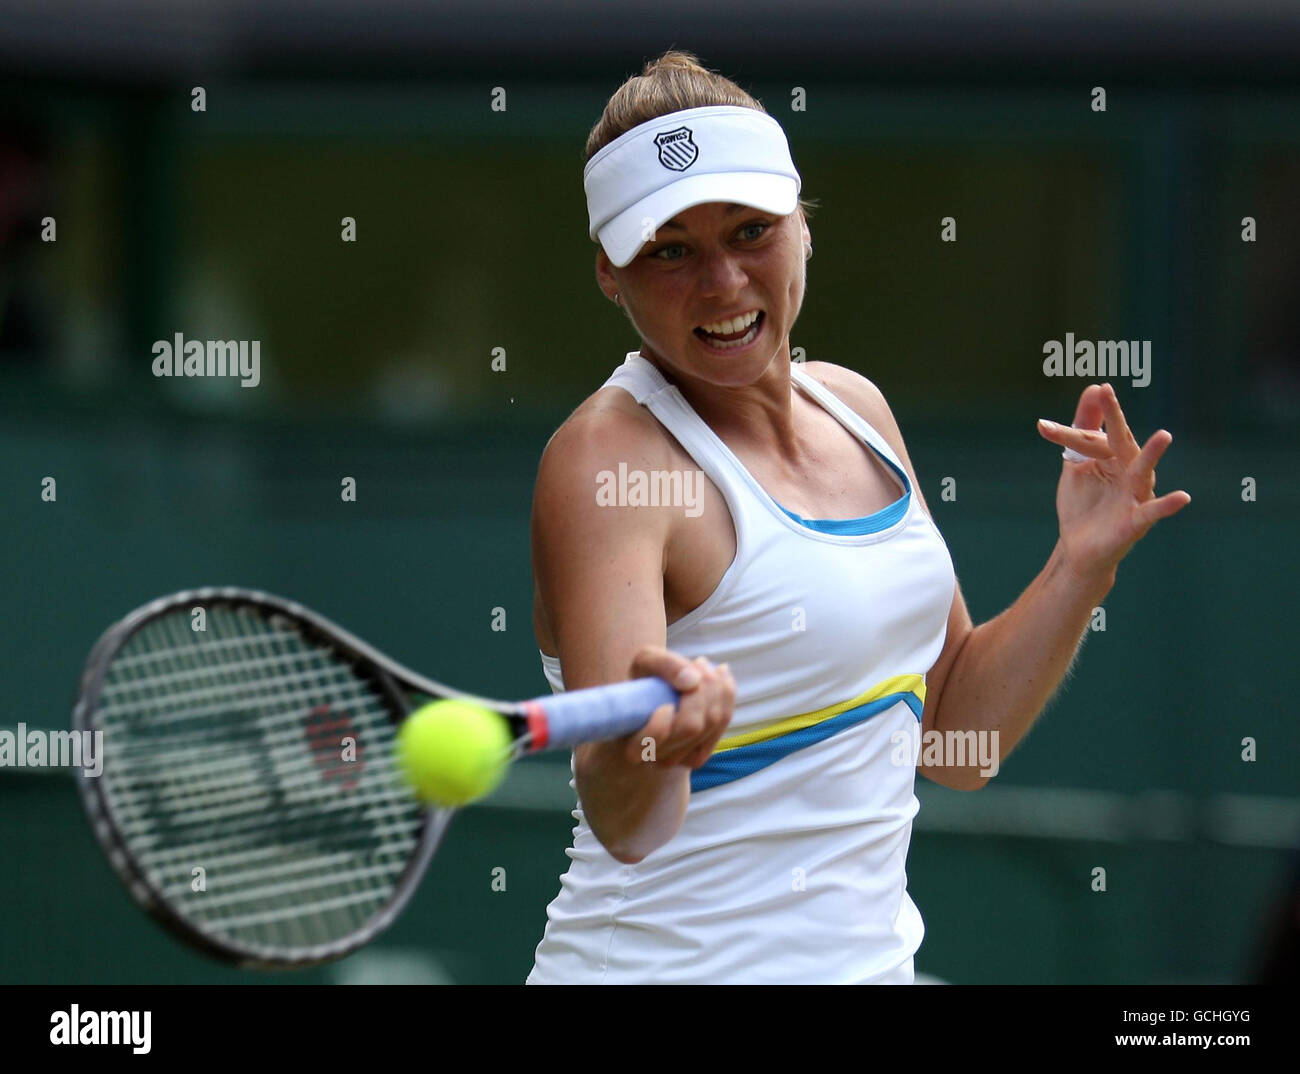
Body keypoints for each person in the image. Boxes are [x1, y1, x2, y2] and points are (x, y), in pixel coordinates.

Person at [525, 51, 1190, 985]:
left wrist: (1078, 568)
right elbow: (624, 818)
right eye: (670, 250)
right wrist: (661, 750)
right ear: (611, 273)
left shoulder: (857, 410)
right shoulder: (607, 463)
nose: (721, 283)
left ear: (803, 227)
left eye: (751, 231)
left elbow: (957, 739)